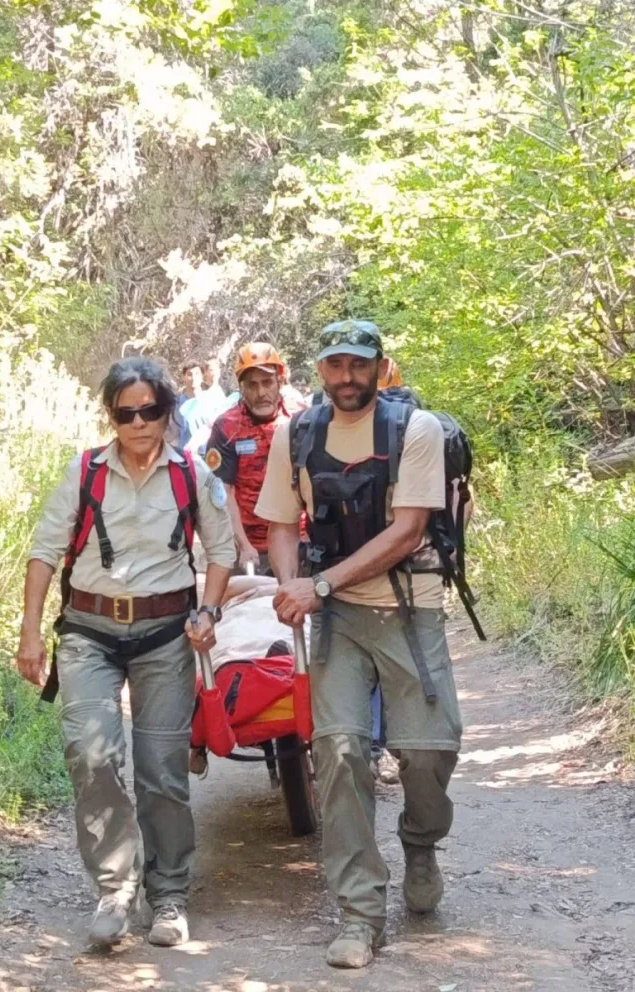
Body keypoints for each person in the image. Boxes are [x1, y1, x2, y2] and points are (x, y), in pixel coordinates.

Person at [255, 319, 463, 969]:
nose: (347, 377)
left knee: (429, 752)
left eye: (359, 364)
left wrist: (317, 584)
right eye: (335, 365)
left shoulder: (415, 430)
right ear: (320, 369)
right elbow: (281, 522)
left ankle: (420, 843)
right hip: (337, 617)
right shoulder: (296, 434)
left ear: (379, 366)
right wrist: (290, 585)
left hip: (409, 605)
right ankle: (359, 913)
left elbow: (408, 531)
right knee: (339, 752)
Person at [16, 356, 235, 949]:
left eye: (150, 410)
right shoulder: (84, 472)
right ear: (111, 417)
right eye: (126, 413)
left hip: (165, 635)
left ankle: (168, 895)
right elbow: (44, 551)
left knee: (161, 770)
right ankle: (115, 890)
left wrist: (208, 612)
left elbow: (222, 551)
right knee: (91, 754)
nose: (139, 422)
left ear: (167, 412)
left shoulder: (192, 473)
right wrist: (30, 632)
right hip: (88, 632)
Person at [205, 342, 290, 574]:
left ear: (280, 381)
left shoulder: (300, 419)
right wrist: (243, 545)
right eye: (252, 385)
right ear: (241, 387)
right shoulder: (227, 426)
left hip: (297, 540)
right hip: (249, 547)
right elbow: (222, 491)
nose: (261, 393)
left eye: (267, 382)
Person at [177, 360, 206, 447]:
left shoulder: (210, 400)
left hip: (209, 451)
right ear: (183, 377)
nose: (193, 378)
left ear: (202, 376)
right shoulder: (177, 404)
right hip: (185, 451)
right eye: (189, 374)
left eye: (197, 374)